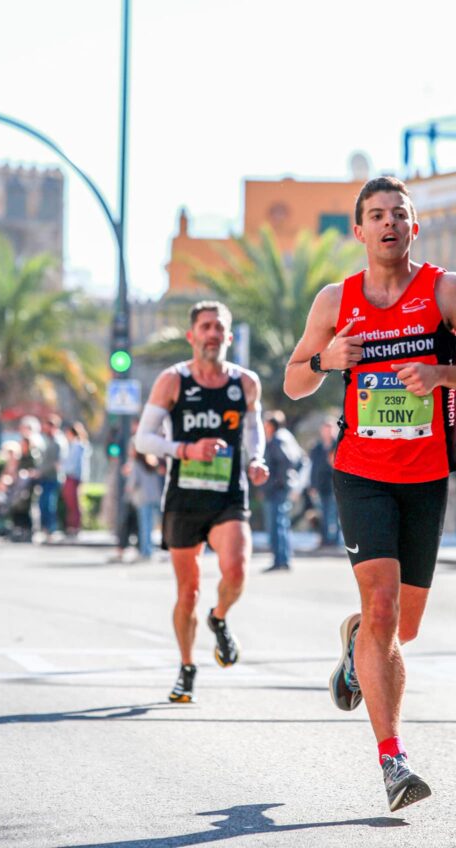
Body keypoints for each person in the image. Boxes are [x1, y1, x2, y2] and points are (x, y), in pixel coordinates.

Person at [283, 176, 456, 812]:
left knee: (399, 626)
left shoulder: (445, 290)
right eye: (376, 215)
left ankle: (355, 643)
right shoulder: (337, 300)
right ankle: (393, 761)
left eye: (399, 215)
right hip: (361, 470)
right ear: (358, 231)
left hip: (425, 473)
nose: (388, 224)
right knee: (382, 606)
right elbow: (294, 381)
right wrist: (329, 359)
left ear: (415, 227)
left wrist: (440, 371)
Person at [135, 300, 269, 703]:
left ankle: (220, 618)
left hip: (228, 494)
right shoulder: (173, 381)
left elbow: (253, 430)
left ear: (228, 337)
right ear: (192, 336)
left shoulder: (245, 382)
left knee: (237, 570)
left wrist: (257, 459)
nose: (212, 334)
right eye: (205, 327)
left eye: (219, 327)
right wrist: (187, 450)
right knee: (188, 590)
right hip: (183, 498)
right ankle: (187, 667)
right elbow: (144, 439)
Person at [262, 410, 305, 571]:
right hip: (282, 488)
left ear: (271, 425)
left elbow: (286, 462)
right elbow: (300, 460)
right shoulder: (287, 436)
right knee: (282, 523)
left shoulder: (278, 439)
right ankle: (283, 559)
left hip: (277, 489)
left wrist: (277, 482)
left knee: (276, 525)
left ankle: (279, 560)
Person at [309, 416, 342, 546]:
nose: (327, 432)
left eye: (330, 429)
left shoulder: (338, 444)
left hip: (336, 484)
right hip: (321, 486)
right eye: (325, 429)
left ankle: (335, 540)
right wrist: (312, 485)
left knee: (336, 514)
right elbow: (313, 468)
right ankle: (325, 540)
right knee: (323, 513)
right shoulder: (316, 448)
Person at [126, 451, 164, 560]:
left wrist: (128, 489)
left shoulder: (136, 464)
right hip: (155, 496)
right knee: (152, 525)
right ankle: (149, 549)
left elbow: (132, 482)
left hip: (143, 498)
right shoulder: (152, 463)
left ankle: (146, 550)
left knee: (145, 526)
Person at [35, 414, 65, 538]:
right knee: (43, 503)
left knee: (48, 503)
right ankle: (46, 528)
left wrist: (40, 471)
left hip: (52, 477)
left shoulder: (57, 442)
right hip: (45, 477)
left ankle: (51, 529)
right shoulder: (48, 440)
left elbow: (54, 462)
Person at [62, 422, 90, 536]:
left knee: (74, 503)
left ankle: (75, 526)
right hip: (73, 477)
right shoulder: (75, 445)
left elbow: (75, 464)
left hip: (73, 477)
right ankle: (72, 526)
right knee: (71, 503)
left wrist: (63, 467)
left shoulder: (78, 446)